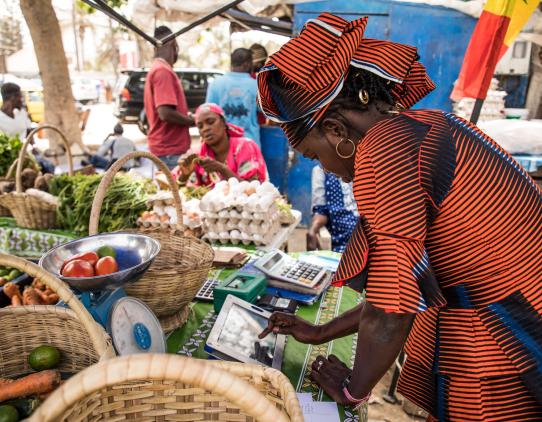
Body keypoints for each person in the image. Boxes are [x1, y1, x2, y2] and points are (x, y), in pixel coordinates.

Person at [257, 13, 542, 421]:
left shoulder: (381, 155)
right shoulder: (424, 124)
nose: (324, 168)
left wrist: (353, 390)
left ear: (337, 131)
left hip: (505, 332)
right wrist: (321, 333)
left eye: (314, 156)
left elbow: (393, 309)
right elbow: (406, 283)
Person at [172, 103, 266, 187]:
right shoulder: (197, 155)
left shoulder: (244, 146)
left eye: (210, 122)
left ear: (224, 123)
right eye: (200, 126)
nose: (205, 129)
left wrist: (221, 169)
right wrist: (184, 175)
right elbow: (179, 191)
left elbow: (253, 188)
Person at [144, 26, 194, 169]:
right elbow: (165, 113)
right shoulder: (162, 71)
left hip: (166, 150)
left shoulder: (159, 68)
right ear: (173, 43)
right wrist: (192, 121)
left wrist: (185, 115)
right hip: (169, 152)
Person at [206, 48, 260, 146]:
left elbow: (208, 114)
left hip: (222, 144)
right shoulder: (257, 86)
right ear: (247, 64)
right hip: (249, 144)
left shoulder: (216, 84)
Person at [308, 165, 358, 253]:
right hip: (343, 245)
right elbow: (321, 211)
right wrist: (313, 230)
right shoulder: (321, 171)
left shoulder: (363, 167)